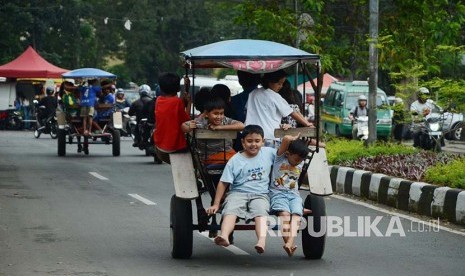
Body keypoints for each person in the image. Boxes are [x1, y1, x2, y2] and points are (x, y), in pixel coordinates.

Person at [206, 125, 275, 254]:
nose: (253, 144)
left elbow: (284, 153)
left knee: (260, 212)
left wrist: (288, 138)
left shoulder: (268, 153)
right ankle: (224, 236)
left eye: (257, 141)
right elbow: (223, 182)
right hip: (238, 193)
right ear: (243, 143)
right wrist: (216, 204)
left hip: (260, 194)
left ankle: (261, 240)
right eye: (249, 141)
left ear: (263, 141)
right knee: (230, 210)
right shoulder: (235, 160)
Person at [245, 69, 312, 147]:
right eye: (279, 83)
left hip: (251, 137)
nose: (281, 86)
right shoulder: (275, 96)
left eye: (282, 83)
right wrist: (307, 123)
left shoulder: (253, 93)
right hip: (270, 137)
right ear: (270, 81)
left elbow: (247, 110)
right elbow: (292, 113)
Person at [269, 135, 311, 257]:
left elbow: (301, 154)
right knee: (285, 216)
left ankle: (290, 242)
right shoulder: (280, 159)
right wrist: (296, 137)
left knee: (297, 215)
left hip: (293, 195)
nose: (298, 162)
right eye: (297, 159)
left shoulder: (300, 162)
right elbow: (286, 138)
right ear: (288, 153)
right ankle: (288, 243)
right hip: (278, 193)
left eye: (301, 160)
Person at [181, 97, 245, 164]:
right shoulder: (201, 121)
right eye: (216, 113)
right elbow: (183, 126)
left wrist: (219, 127)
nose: (219, 117)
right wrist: (189, 128)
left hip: (227, 152)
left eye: (221, 113)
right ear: (206, 113)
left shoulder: (225, 120)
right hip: (208, 156)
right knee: (238, 161)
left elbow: (242, 126)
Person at [154, 73, 191, 164]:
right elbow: (186, 121)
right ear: (178, 88)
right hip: (174, 147)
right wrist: (189, 103)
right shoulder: (177, 102)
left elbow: (175, 106)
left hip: (159, 145)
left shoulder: (159, 100)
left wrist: (186, 88)